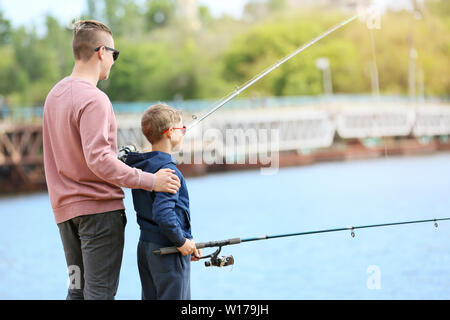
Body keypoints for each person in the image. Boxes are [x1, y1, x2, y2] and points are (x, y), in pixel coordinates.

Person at [42, 20, 181, 300]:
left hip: (66, 215)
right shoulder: (95, 99)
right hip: (99, 216)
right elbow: (99, 160)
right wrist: (150, 181)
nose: (114, 61)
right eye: (114, 54)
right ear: (101, 52)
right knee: (99, 295)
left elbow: (74, 156)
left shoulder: (53, 96)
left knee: (77, 292)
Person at [125, 103, 201, 300]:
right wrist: (181, 241)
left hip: (146, 248)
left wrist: (188, 243)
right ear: (169, 133)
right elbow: (164, 214)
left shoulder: (142, 168)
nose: (183, 132)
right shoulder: (168, 171)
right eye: (181, 129)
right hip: (167, 250)